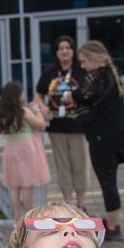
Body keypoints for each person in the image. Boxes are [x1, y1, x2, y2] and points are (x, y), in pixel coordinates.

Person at [70, 41, 124, 242]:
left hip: (107, 137)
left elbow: (87, 97)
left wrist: (70, 95)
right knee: (109, 179)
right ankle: (112, 221)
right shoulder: (109, 75)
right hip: (115, 134)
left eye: (85, 61)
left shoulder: (103, 77)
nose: (83, 66)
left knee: (107, 181)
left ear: (95, 59)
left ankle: (113, 227)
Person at [34, 35, 88, 209]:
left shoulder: (81, 72)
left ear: (73, 51)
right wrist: (42, 106)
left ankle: (80, 204)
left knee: (80, 165)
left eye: (68, 48)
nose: (65, 51)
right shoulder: (50, 72)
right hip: (57, 127)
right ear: (56, 52)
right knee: (62, 165)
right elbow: (38, 94)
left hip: (79, 126)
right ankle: (68, 204)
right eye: (61, 48)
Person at [0, 82, 50, 221]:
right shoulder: (23, 111)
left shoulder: (2, 113)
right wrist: (36, 110)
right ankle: (29, 217)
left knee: (14, 186)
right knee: (27, 186)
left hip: (11, 147)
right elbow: (41, 125)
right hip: (26, 147)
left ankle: (17, 217)